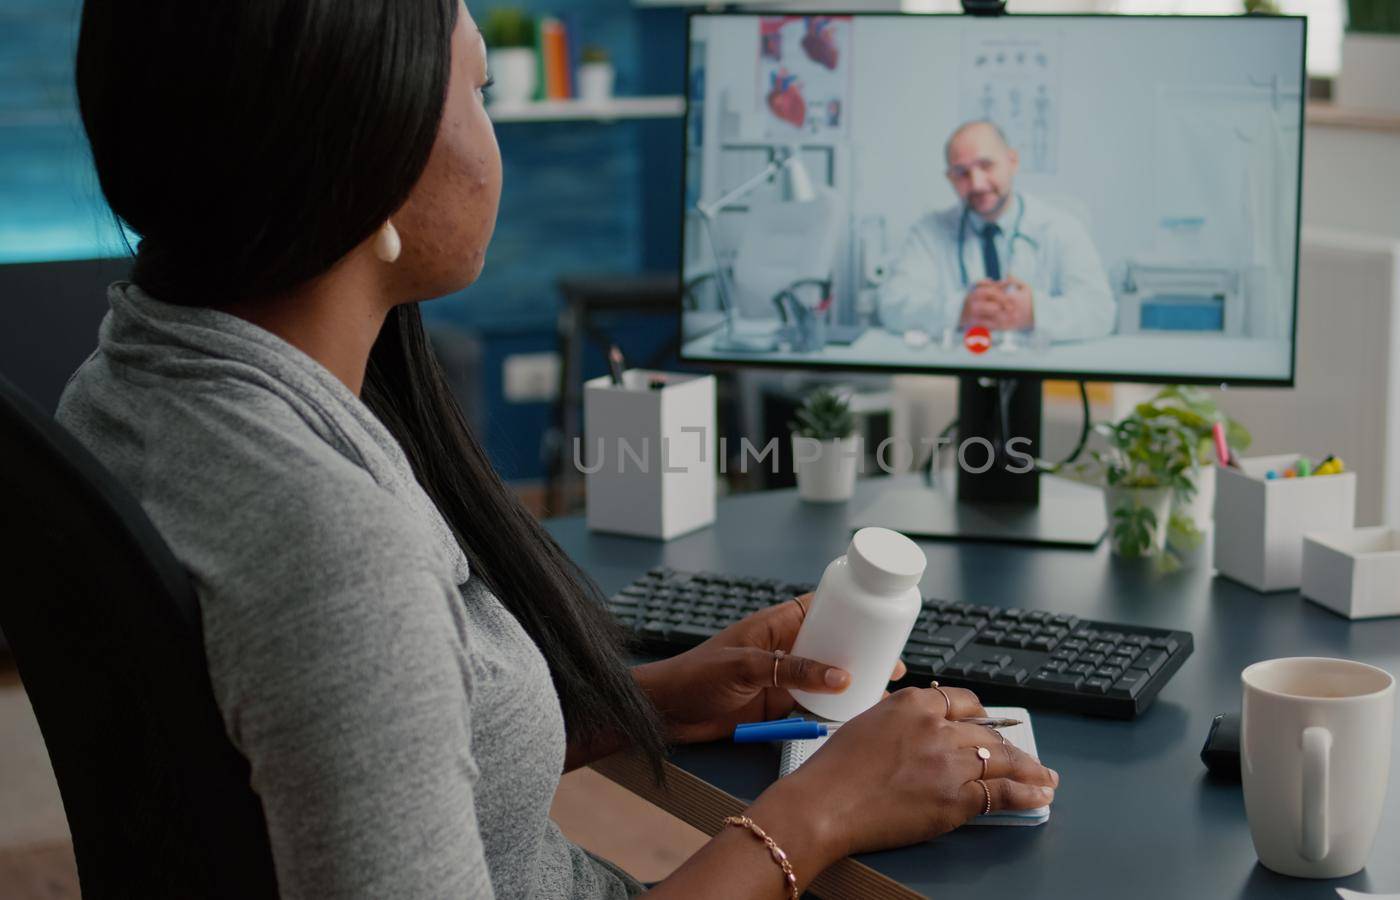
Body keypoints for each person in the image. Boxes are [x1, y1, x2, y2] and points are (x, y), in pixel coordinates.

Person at [61, 3, 1058, 898]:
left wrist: (650, 701)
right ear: (375, 148)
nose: (496, 143)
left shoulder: (134, 379)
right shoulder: (334, 545)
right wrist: (823, 814)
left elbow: (360, 749)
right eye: (481, 89)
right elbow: (351, 643)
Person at [878, 121, 1116, 343]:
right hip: (957, 370)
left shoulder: (1061, 227)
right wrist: (959, 310)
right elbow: (893, 307)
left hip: (1040, 371)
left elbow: (1100, 312)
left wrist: (1035, 312)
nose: (977, 184)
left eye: (986, 165)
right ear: (949, 178)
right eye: (962, 173)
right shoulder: (928, 233)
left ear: (1012, 161)